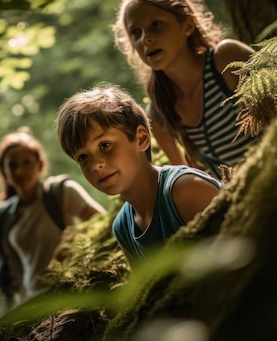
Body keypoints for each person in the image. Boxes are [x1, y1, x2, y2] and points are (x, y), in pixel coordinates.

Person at [56, 84, 222, 264]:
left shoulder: (187, 190)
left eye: (104, 145)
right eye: (82, 157)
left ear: (141, 138)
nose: (95, 164)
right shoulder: (123, 228)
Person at [112, 0, 259, 180]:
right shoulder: (158, 113)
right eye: (135, 33)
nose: (145, 39)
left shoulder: (227, 59)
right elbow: (192, 179)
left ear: (187, 26)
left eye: (156, 25)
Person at [0, 128, 106, 308]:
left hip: (67, 291)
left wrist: (75, 240)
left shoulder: (61, 192)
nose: (20, 171)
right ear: (4, 172)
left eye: (26, 162)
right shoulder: (0, 220)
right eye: (12, 166)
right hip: (27, 303)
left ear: (40, 165)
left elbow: (103, 223)